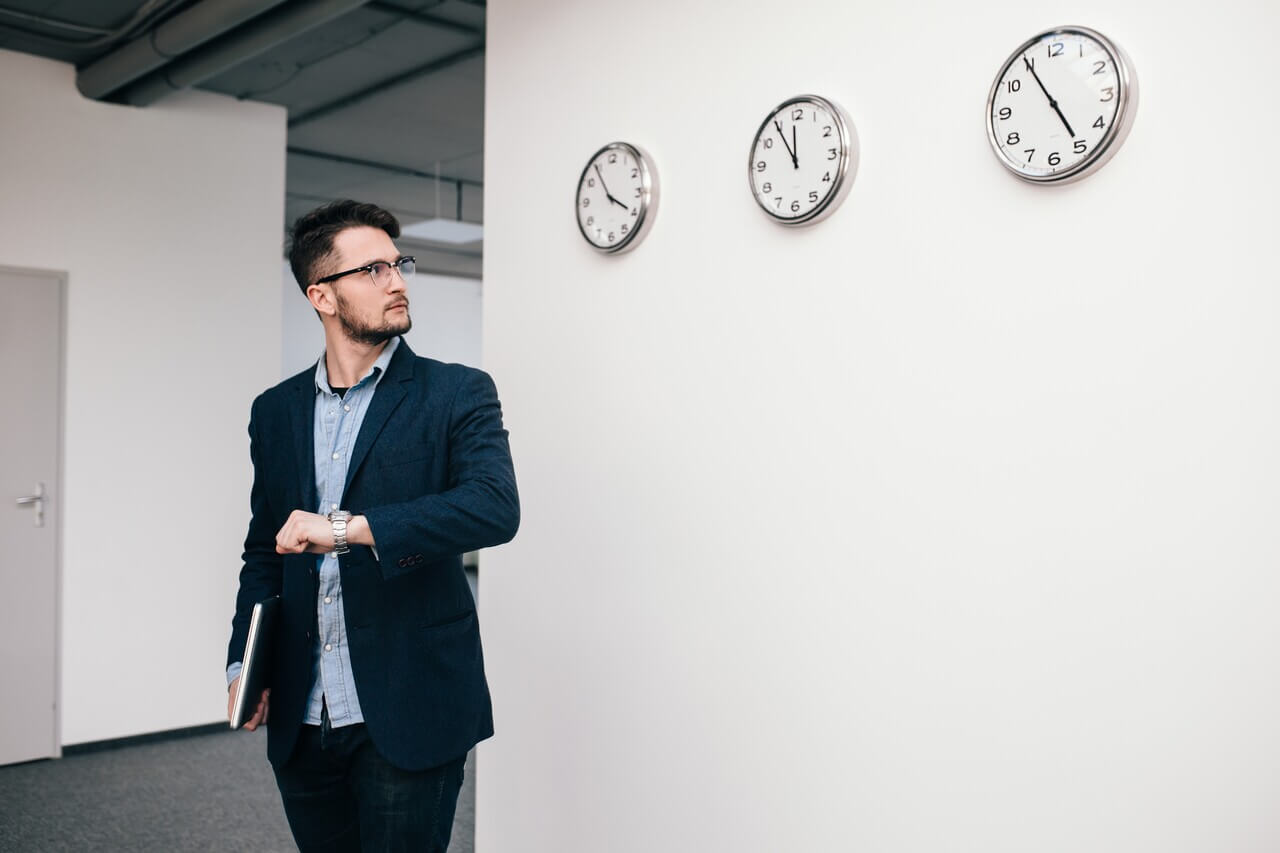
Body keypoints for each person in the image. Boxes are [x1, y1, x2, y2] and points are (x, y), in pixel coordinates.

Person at [225, 199, 519, 852]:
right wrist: (245, 662)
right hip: (304, 712)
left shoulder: (456, 392)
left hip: (409, 701)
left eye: (399, 263)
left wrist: (345, 528)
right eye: (375, 269)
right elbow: (263, 549)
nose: (398, 280)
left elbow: (493, 506)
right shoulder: (274, 411)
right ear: (321, 296)